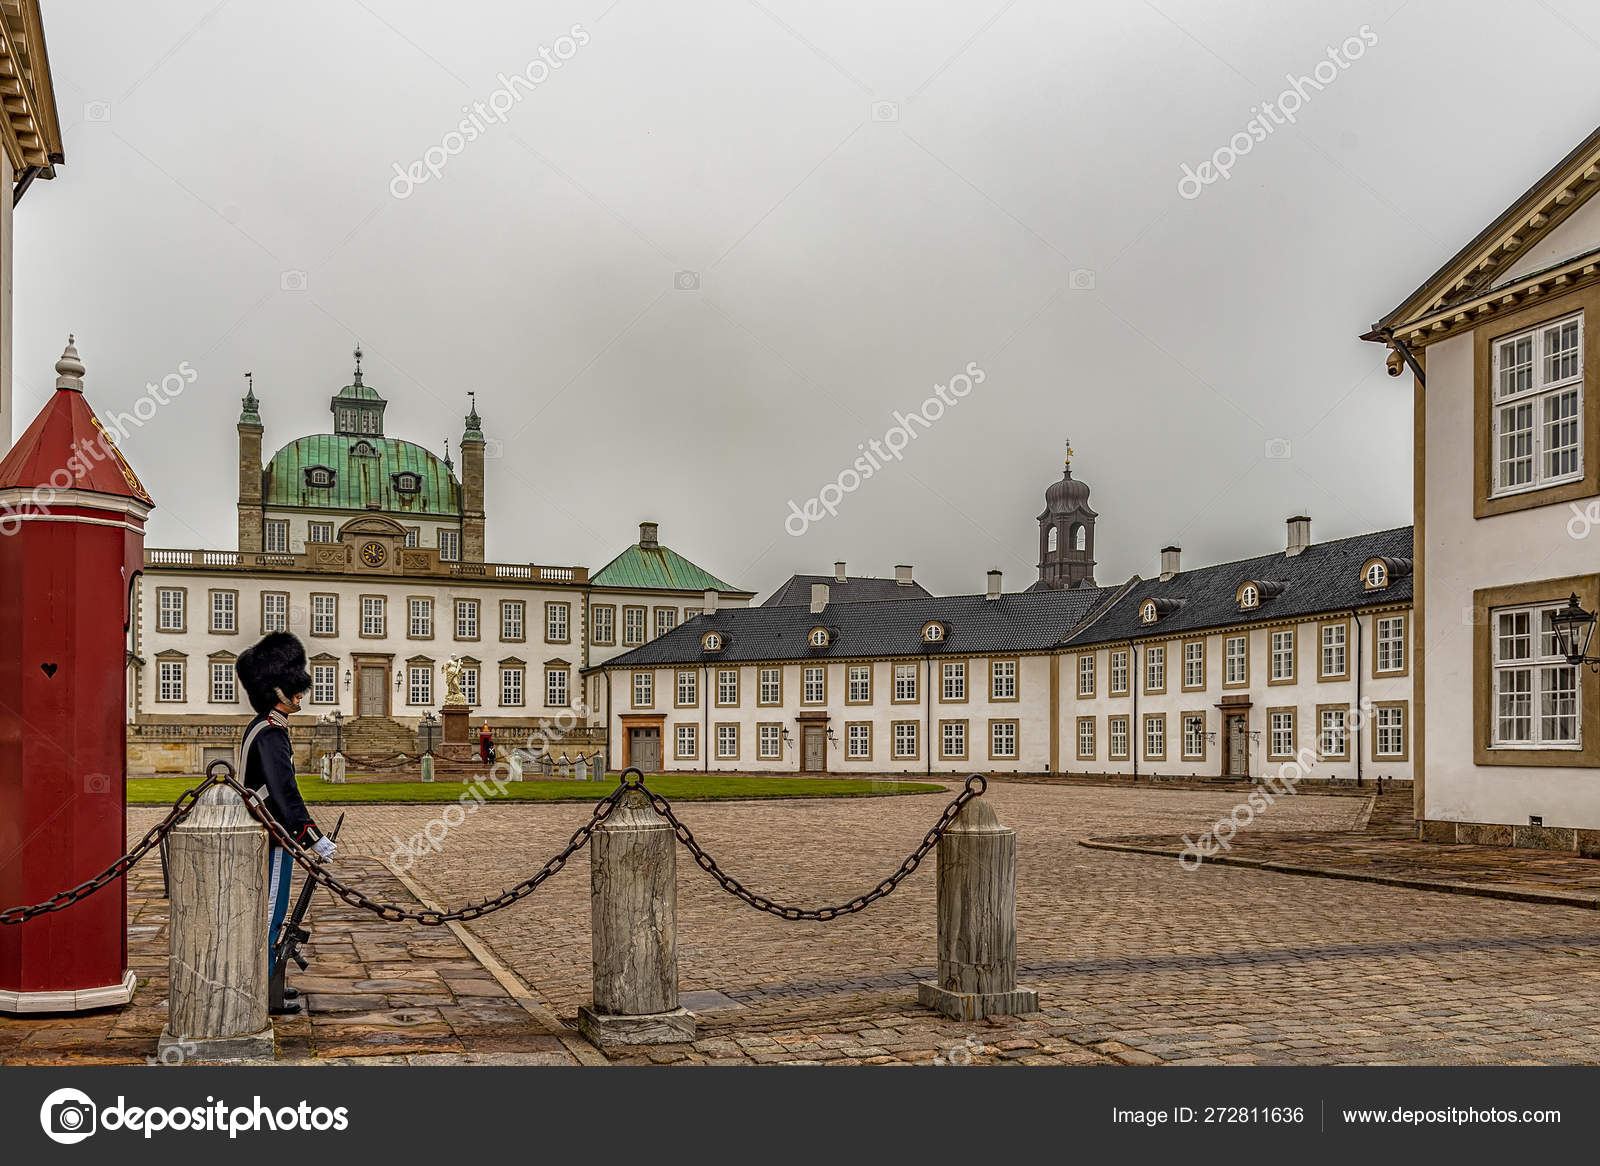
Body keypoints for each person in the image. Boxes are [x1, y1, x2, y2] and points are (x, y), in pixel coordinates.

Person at [235, 632, 337, 1016]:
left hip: (269, 832)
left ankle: (267, 980)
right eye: (294, 687)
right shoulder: (271, 732)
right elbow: (284, 793)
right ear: (276, 687)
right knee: (270, 913)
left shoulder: (264, 726)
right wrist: (314, 838)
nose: (300, 693)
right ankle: (261, 988)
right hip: (273, 836)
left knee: (271, 912)